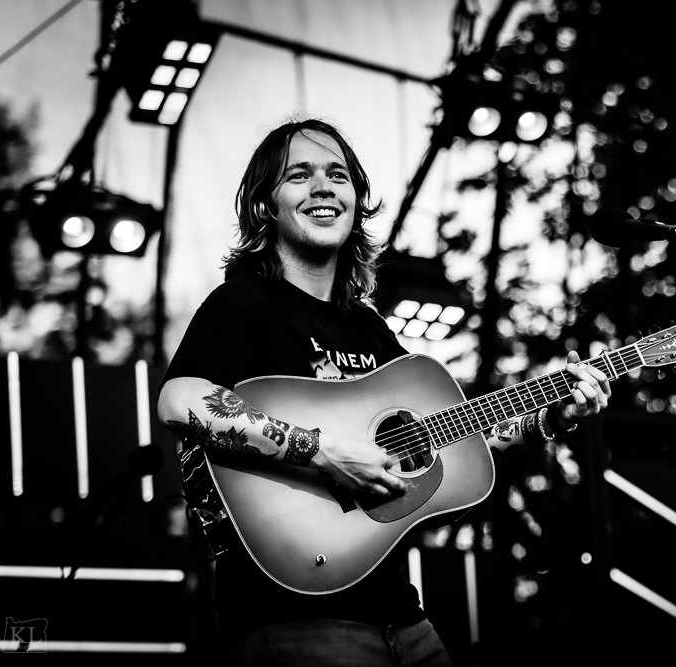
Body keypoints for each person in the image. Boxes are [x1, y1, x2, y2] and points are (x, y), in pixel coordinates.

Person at [156, 117, 612, 666]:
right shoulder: (243, 304)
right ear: (264, 206)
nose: (323, 187)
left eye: (338, 175)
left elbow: (453, 450)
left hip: (404, 620)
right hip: (292, 622)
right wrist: (322, 451)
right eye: (299, 176)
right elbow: (180, 397)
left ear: (356, 202)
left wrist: (548, 418)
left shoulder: (370, 329)